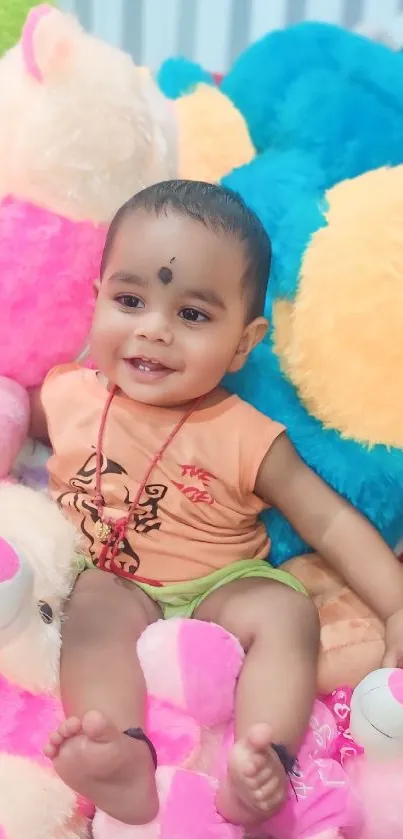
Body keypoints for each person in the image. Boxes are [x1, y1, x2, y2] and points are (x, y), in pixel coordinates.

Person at [29, 180, 403, 829]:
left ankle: (262, 761)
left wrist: (396, 602)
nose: (152, 329)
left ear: (242, 341)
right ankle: (119, 752)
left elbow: (329, 518)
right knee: (90, 610)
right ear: (95, 301)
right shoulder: (67, 394)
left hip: (222, 582)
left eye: (192, 315)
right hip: (119, 578)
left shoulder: (244, 433)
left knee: (286, 612)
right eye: (129, 299)